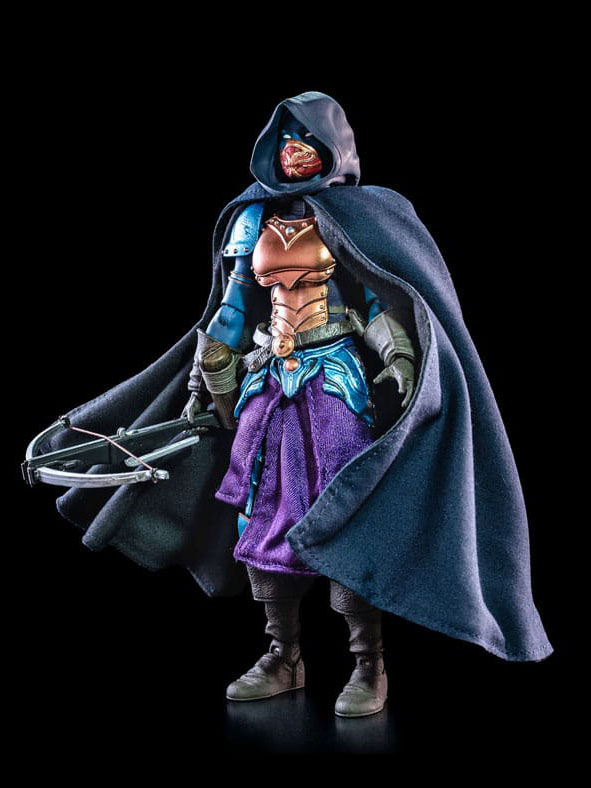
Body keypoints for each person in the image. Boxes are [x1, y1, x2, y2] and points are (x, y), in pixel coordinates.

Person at [181, 106, 415, 716]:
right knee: (262, 509)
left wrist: (399, 354)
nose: (294, 147)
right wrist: (209, 370)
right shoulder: (254, 217)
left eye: (308, 137)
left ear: (334, 146)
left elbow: (376, 299)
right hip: (269, 377)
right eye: (285, 137)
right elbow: (234, 306)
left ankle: (368, 663)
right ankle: (283, 655)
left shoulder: (351, 218)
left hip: (333, 377)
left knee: (343, 507)